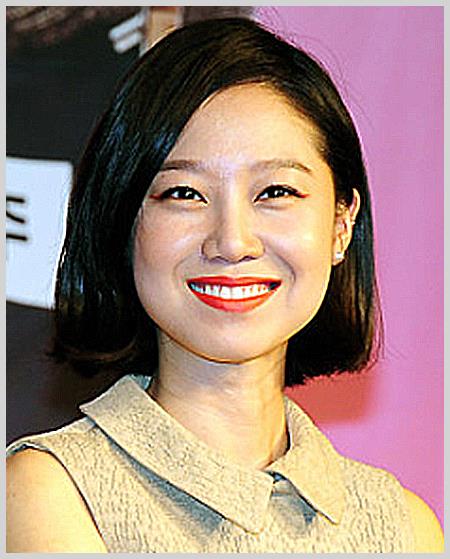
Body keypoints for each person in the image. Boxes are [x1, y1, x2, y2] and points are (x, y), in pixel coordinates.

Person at [6, 17, 443, 553]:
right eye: (184, 194)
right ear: (122, 222)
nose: (232, 241)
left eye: (276, 191)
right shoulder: (49, 494)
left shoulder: (404, 527)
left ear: (340, 225)